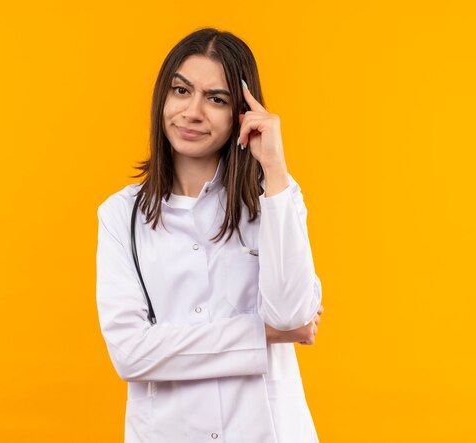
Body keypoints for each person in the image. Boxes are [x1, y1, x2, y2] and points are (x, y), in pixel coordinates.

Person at [96, 27, 325, 443]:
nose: (193, 112)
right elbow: (130, 354)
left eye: (216, 99)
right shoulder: (120, 214)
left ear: (241, 112)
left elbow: (293, 315)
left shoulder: (272, 199)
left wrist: (274, 167)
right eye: (181, 91)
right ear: (162, 98)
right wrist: (263, 335)